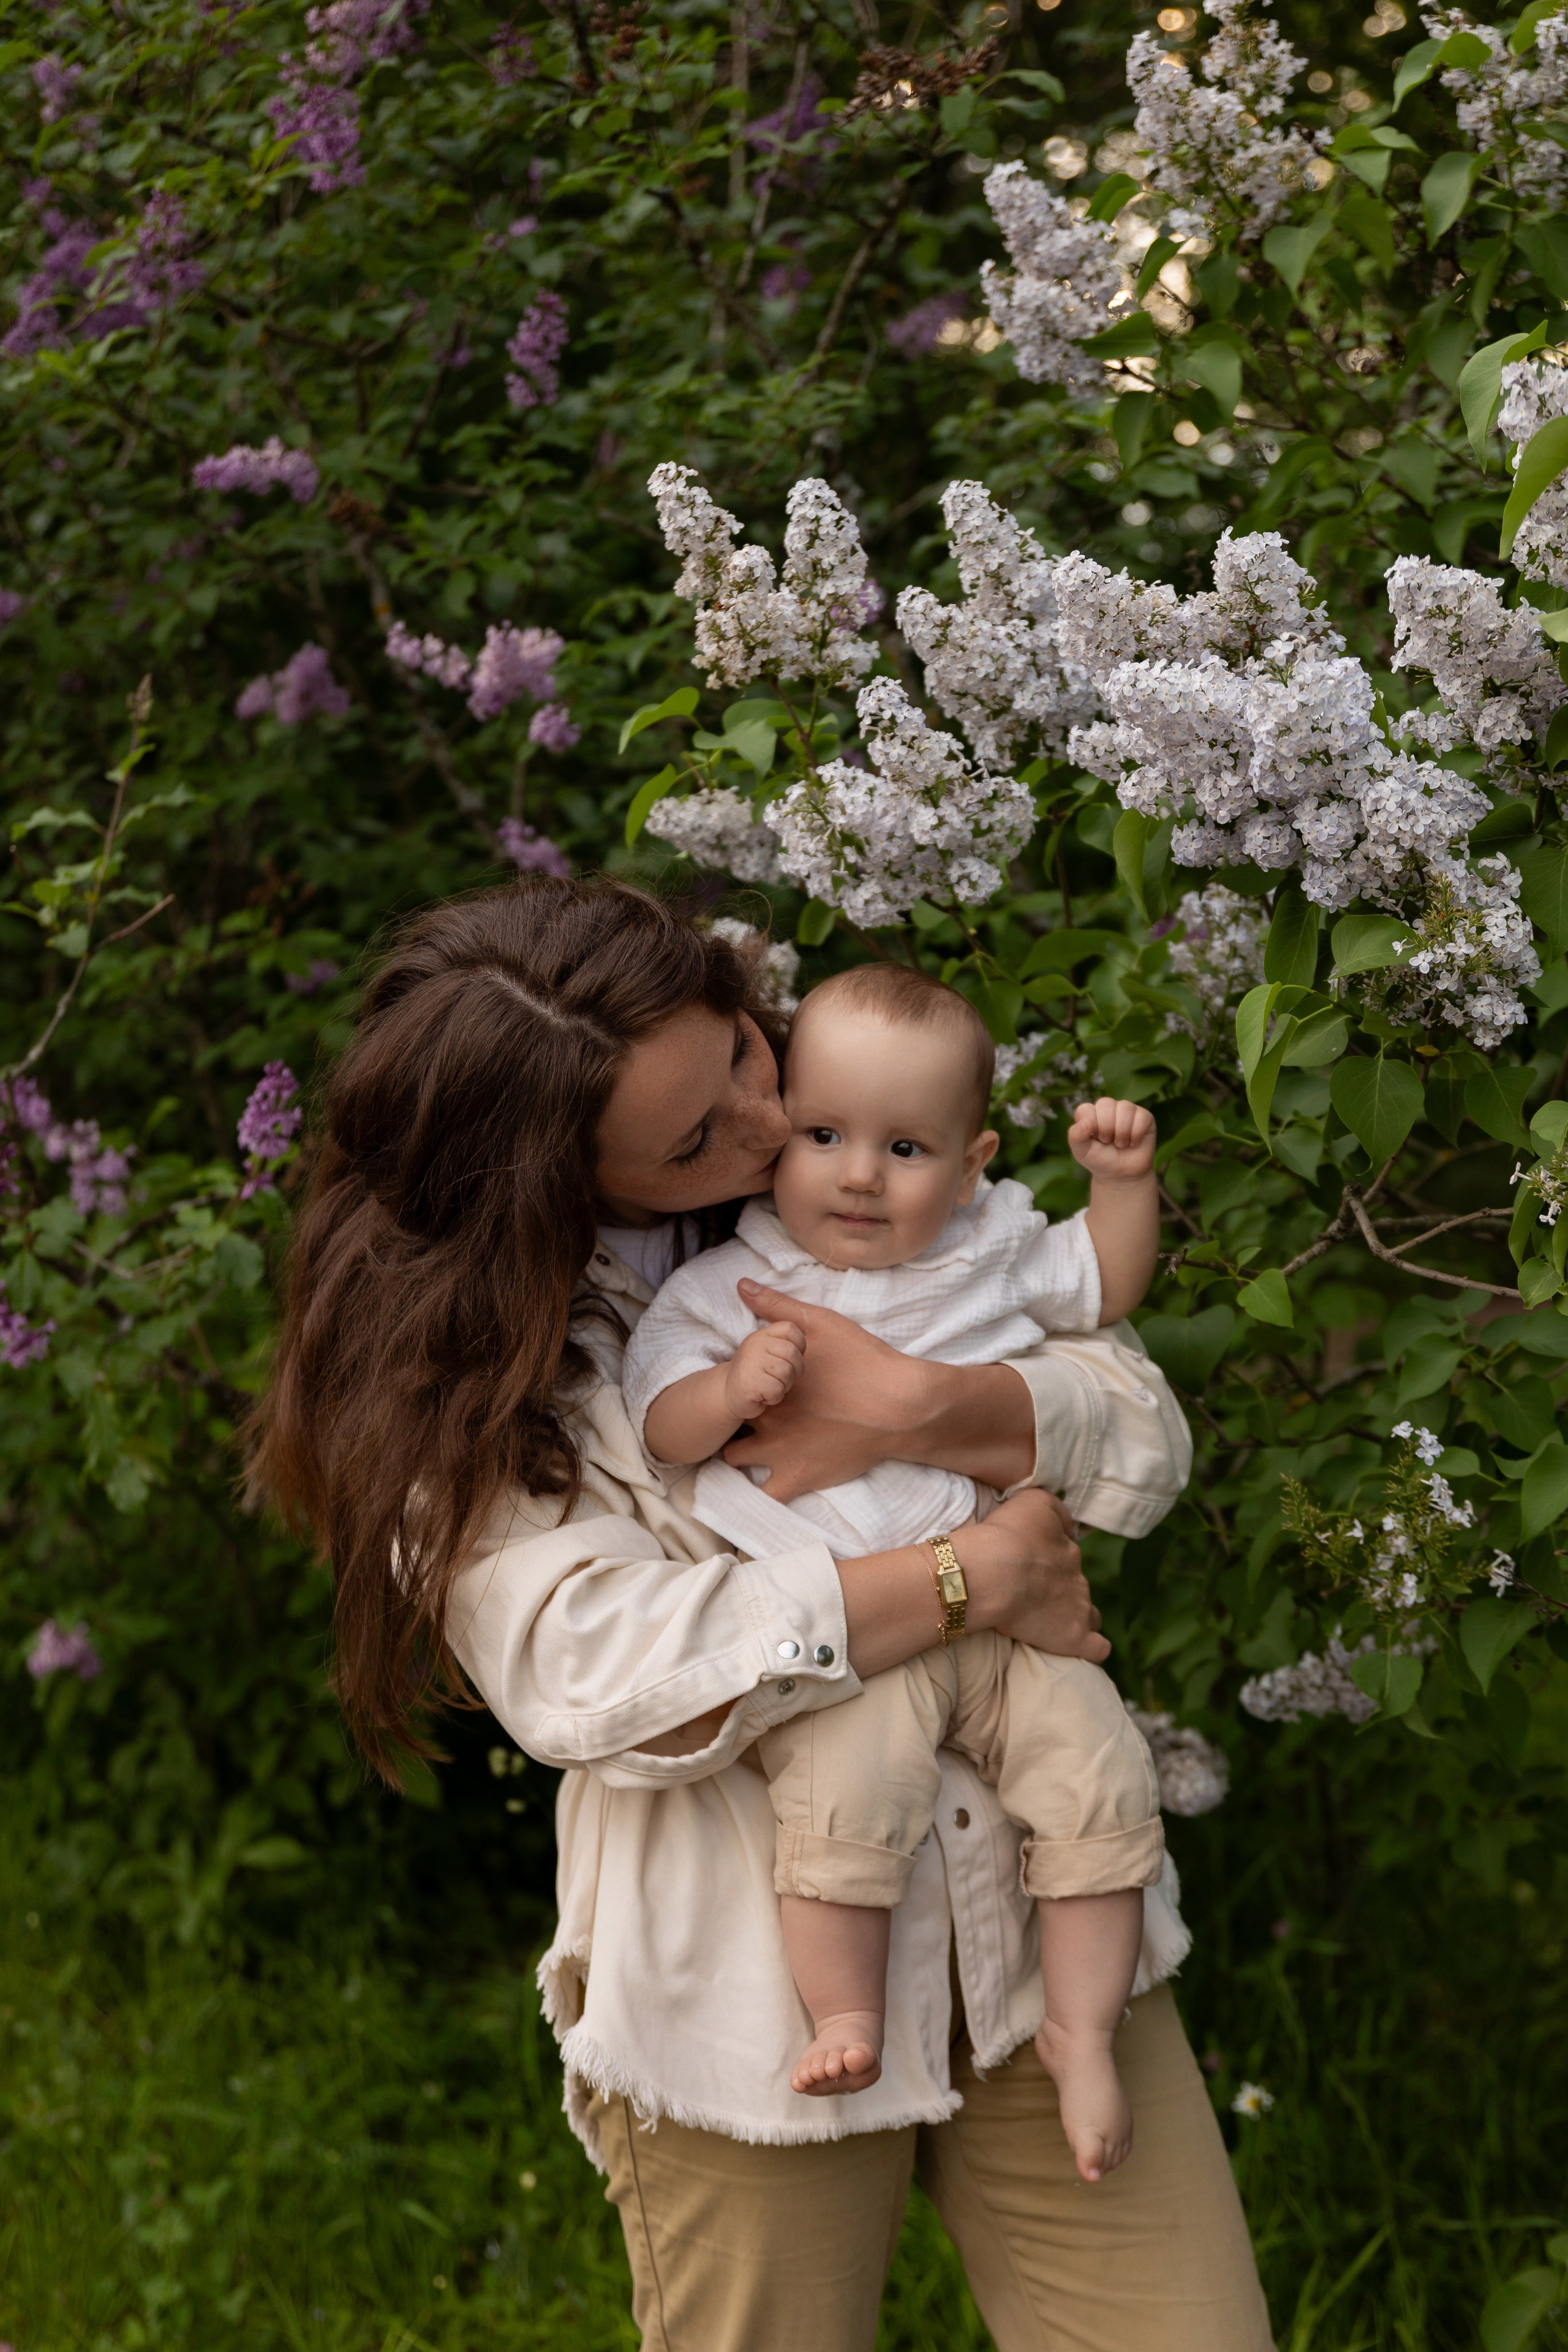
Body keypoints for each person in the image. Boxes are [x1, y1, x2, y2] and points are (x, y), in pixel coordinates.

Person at [251, 876, 1273, 2352]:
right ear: (563, 1182)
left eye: (738, 1053)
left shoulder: (862, 1149)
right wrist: (953, 1579)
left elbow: (1139, 1429)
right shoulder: (457, 1362)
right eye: (690, 1138)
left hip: (1036, 1926)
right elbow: (590, 1669)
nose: (758, 1121)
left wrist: (918, 1406)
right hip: (751, 2000)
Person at [621, 963, 1166, 2183]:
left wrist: (1121, 1186)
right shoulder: (732, 1284)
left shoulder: (992, 1250)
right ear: (780, 1140)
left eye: (905, 1147)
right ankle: (846, 2015)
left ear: (972, 1164)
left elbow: (1104, 1281)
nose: (858, 1173)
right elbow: (659, 1417)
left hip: (1011, 1634)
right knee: (840, 1801)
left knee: (1098, 1773)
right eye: (822, 1135)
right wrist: (728, 1391)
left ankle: (1081, 2034)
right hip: (855, 1632)